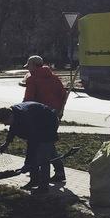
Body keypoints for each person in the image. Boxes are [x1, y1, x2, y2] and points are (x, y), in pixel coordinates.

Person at [23, 54, 69, 184]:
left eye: (29, 66)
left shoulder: (32, 79)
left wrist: (23, 113)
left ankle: (37, 174)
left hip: (39, 117)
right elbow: (63, 95)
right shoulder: (54, 78)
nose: (28, 69)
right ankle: (59, 172)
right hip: (53, 115)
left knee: (38, 145)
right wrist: (59, 110)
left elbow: (28, 100)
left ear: (33, 66)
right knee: (48, 144)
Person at [0, 101, 59, 194]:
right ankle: (35, 180)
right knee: (43, 153)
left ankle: (43, 187)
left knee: (43, 157)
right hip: (38, 126)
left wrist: (27, 163)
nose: (5, 125)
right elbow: (13, 129)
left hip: (49, 124)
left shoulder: (25, 116)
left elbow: (32, 141)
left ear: (10, 116)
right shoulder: (14, 114)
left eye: (5, 122)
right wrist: (6, 144)